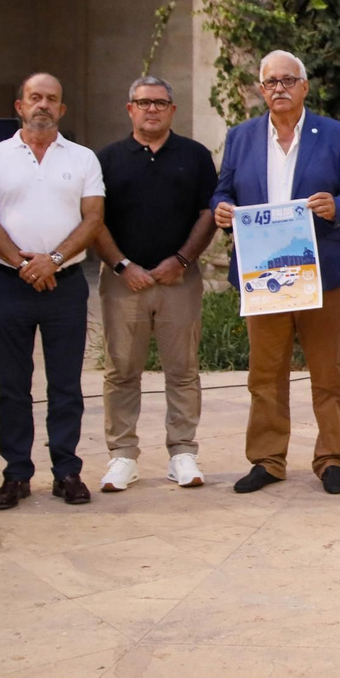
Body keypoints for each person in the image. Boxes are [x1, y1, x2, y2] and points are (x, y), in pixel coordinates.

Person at [212, 50, 340, 495]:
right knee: (265, 374)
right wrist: (221, 209)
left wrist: (337, 206)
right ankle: (267, 460)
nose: (279, 88)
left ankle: (331, 457)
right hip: (263, 274)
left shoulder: (335, 134)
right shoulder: (241, 137)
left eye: (287, 80)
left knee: (328, 372)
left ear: (304, 86)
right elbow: (222, 191)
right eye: (271, 82)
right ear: (261, 89)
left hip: (320, 272)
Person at [0, 72, 105, 510]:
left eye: (51, 98)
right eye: (35, 97)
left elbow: (93, 218)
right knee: (13, 385)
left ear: (62, 109)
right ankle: (16, 474)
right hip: (10, 285)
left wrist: (54, 260)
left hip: (66, 286)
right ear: (20, 106)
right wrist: (24, 264)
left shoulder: (83, 158)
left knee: (66, 384)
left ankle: (67, 471)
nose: (42, 104)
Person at [92, 76, 219, 494]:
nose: (152, 109)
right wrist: (121, 265)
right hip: (123, 282)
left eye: (160, 103)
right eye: (143, 102)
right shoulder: (107, 159)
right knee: (121, 371)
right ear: (130, 108)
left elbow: (208, 214)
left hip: (178, 280)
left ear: (172, 110)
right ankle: (122, 455)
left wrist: (181, 260)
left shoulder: (195, 156)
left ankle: (182, 451)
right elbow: (93, 219)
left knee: (182, 370)